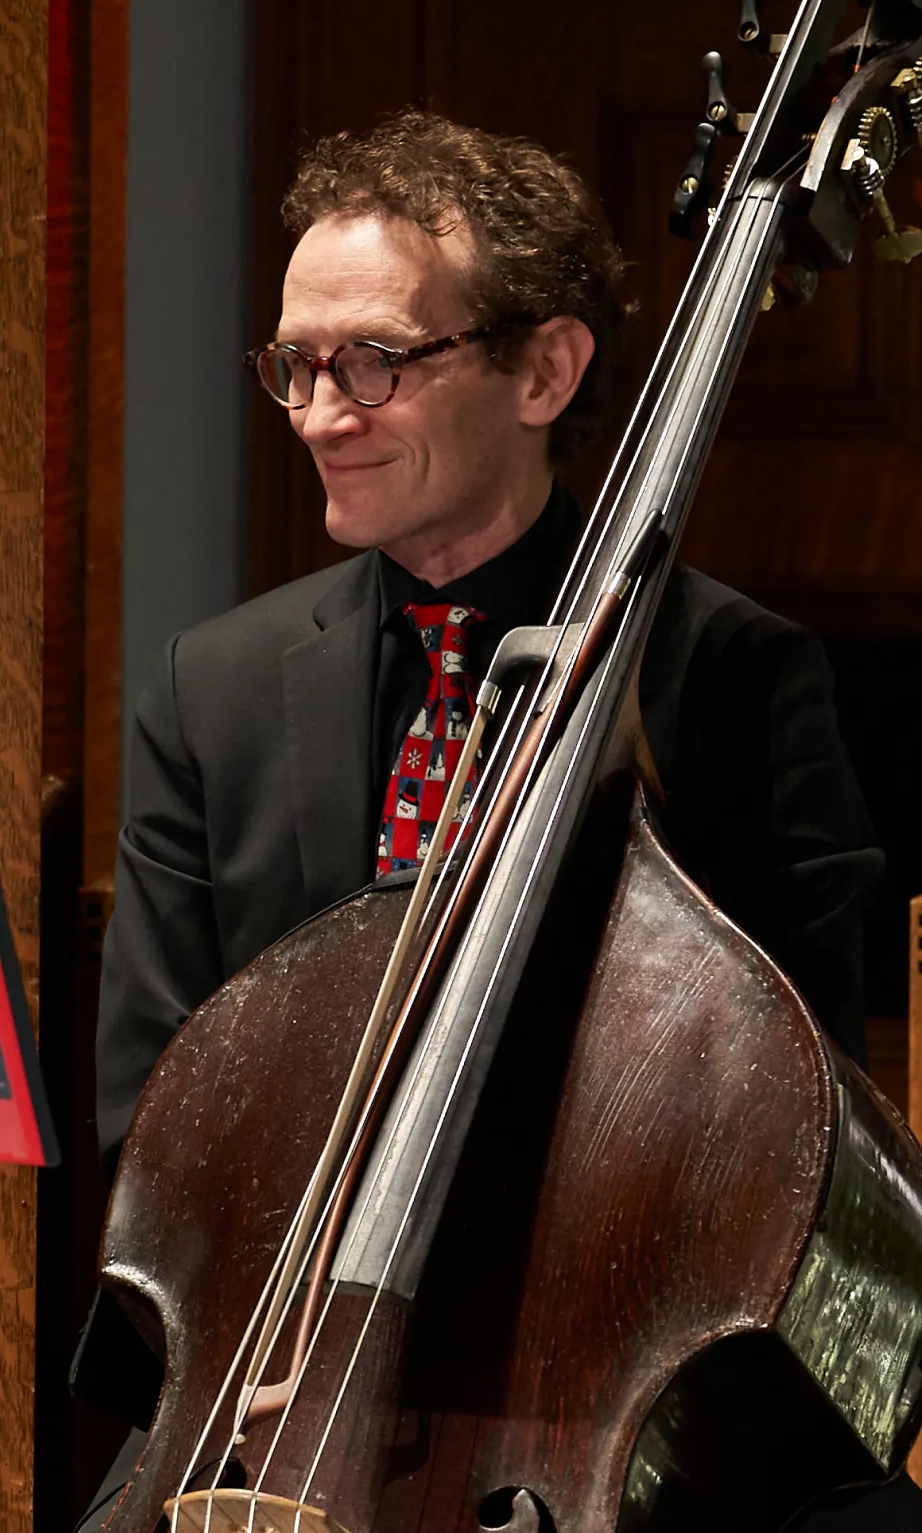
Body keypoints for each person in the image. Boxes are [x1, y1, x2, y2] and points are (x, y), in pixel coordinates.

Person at [77, 112, 920, 1530]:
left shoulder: (731, 678)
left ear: (544, 368)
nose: (319, 412)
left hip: (589, 1380)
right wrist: (283, 1322)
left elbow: (790, 1119)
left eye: (375, 361)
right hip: (267, 1376)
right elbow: (148, 1100)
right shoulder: (208, 689)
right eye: (294, 364)